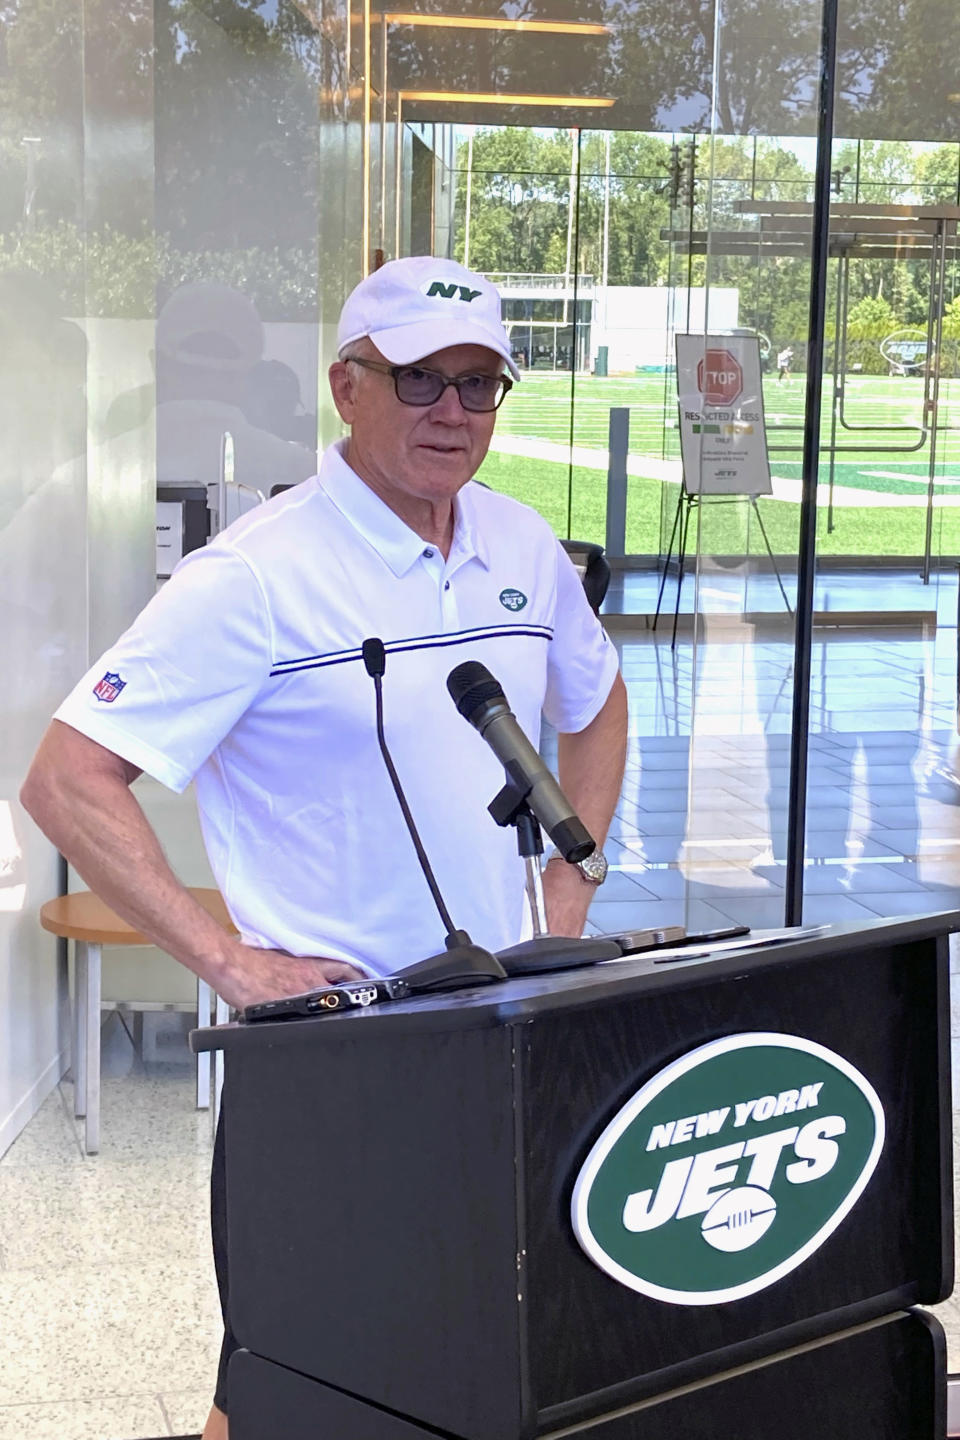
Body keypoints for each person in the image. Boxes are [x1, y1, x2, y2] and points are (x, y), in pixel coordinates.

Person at [20, 255, 628, 1439]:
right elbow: (68, 779)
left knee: (484, 1357)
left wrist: (572, 882)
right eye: (418, 382)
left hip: (504, 1029)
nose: (451, 414)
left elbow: (595, 700)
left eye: (478, 385)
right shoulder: (255, 575)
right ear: (345, 386)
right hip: (338, 1055)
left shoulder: (520, 542)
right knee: (290, 1384)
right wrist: (231, 965)